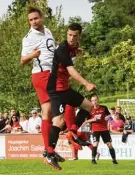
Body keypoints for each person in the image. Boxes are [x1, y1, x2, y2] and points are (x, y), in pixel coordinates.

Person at [45, 23, 96, 170]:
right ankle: (49, 154)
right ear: (66, 34)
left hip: (65, 88)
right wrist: (86, 84)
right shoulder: (62, 49)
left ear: (79, 35)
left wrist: (77, 51)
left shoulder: (73, 47)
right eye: (69, 35)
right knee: (58, 121)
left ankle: (73, 132)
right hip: (55, 89)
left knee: (89, 106)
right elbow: (71, 71)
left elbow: (74, 50)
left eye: (75, 36)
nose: (72, 38)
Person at [20, 6, 64, 163]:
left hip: (50, 74)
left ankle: (49, 150)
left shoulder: (48, 31)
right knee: (57, 112)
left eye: (36, 18)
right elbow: (22, 60)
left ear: (41, 17)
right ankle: (49, 149)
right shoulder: (28, 38)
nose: (34, 22)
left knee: (49, 113)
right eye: (31, 20)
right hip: (42, 74)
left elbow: (52, 48)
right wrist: (32, 55)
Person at [82, 95, 118, 164]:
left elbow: (109, 115)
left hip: (104, 129)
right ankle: (93, 159)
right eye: (93, 101)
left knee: (109, 145)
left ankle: (114, 160)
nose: (94, 102)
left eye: (95, 100)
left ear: (98, 100)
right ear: (91, 102)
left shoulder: (104, 107)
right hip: (95, 129)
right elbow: (86, 121)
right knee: (95, 144)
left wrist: (108, 117)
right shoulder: (90, 109)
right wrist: (93, 119)